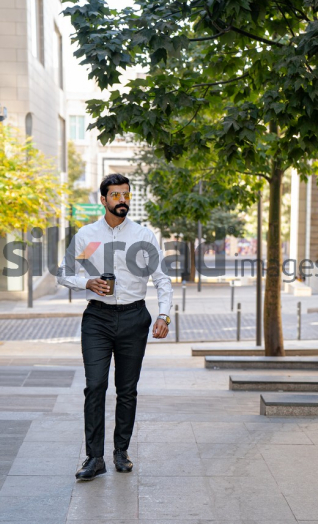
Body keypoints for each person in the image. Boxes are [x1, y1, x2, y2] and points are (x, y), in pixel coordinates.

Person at [57, 173, 173, 480]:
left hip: (135, 317)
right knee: (95, 385)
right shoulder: (86, 236)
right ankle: (94, 458)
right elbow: (63, 273)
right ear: (104, 199)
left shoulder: (143, 236)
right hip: (97, 318)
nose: (122, 200)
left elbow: (162, 279)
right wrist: (87, 282)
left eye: (126, 195)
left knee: (127, 390)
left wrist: (164, 315)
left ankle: (121, 451)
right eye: (116, 195)